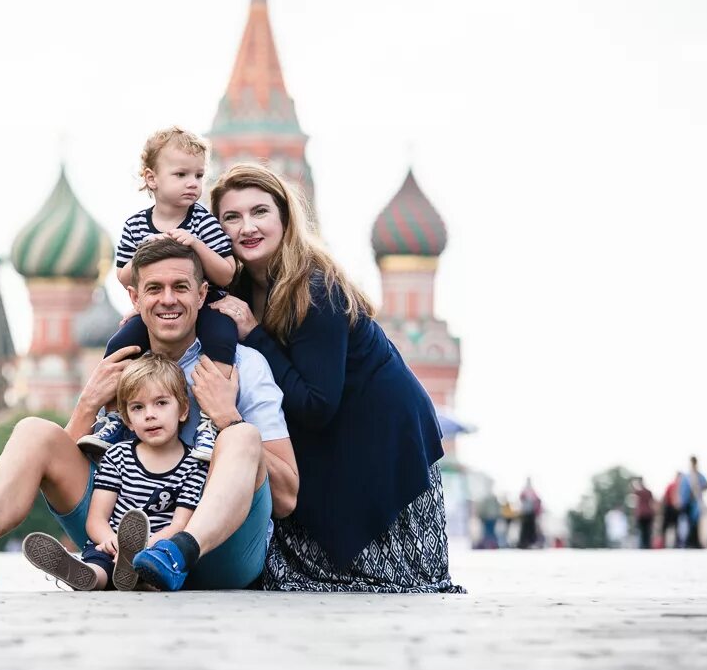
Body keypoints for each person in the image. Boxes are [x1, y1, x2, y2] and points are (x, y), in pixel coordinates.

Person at [0, 238, 298, 592]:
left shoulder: (244, 366)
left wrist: (227, 417)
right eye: (154, 288)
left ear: (201, 293)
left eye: (181, 287)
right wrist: (87, 405)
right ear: (136, 300)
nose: (169, 299)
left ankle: (176, 552)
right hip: (119, 537)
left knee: (242, 436)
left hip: (217, 553)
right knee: (33, 430)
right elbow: (51, 471)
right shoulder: (117, 368)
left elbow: (286, 498)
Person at [209, 163, 463, 593]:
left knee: (346, 573)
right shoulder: (242, 289)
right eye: (231, 217)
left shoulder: (315, 287)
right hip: (339, 434)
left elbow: (316, 403)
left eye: (260, 212)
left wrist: (255, 333)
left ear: (285, 218)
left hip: (377, 435)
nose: (246, 226)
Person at [79, 127, 237, 463]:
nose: (192, 183)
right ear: (152, 179)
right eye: (180, 175)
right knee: (120, 344)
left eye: (198, 175)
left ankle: (209, 421)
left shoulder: (203, 222)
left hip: (203, 306)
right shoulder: (137, 225)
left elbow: (227, 272)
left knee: (222, 338)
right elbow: (123, 273)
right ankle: (114, 420)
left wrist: (195, 245)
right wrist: (145, 255)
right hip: (157, 310)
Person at [22, 354, 207, 591]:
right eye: (138, 407)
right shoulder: (118, 456)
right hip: (111, 544)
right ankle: (83, 575)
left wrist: (145, 550)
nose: (149, 414)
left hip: (159, 552)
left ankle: (141, 577)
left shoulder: (193, 464)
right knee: (99, 565)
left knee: (156, 571)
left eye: (161, 403)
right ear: (128, 420)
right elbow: (97, 518)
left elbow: (181, 524)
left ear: (183, 410)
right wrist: (111, 540)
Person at [676, 456, 707, 549]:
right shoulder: (687, 476)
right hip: (687, 503)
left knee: (695, 522)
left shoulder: (699, 476)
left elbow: (706, 485)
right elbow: (681, 490)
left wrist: (699, 487)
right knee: (686, 523)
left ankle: (695, 542)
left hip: (696, 503)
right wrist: (680, 501)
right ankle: (688, 542)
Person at [632, 477, 656, 549]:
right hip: (648, 513)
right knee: (647, 531)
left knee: (642, 531)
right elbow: (652, 502)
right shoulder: (648, 492)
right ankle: (648, 545)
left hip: (641, 514)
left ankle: (643, 545)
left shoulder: (639, 492)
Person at [518, 478, 542, 549]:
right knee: (525, 528)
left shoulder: (533, 491)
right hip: (525, 512)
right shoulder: (524, 491)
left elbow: (537, 500)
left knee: (531, 528)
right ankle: (524, 542)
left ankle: (531, 542)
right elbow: (521, 498)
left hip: (531, 512)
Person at [660, 475, 681, 548]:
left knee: (669, 527)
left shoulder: (673, 485)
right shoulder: (676, 486)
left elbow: (665, 496)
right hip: (672, 508)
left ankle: (667, 543)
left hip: (671, 508)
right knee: (673, 527)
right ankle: (673, 544)